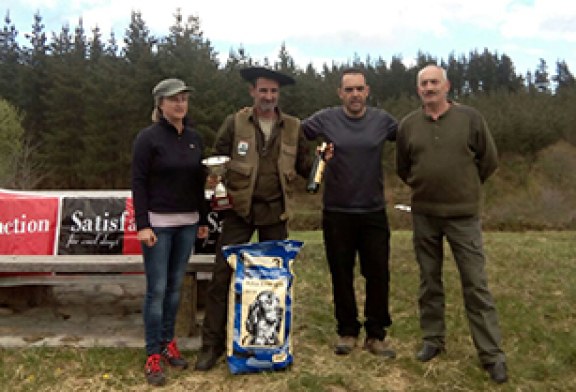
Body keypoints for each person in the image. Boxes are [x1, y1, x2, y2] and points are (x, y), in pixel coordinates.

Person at [194, 67, 313, 371]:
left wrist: (322, 165)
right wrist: (212, 182)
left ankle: (270, 346)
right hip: (239, 212)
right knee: (222, 277)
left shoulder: (293, 126)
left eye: (273, 92)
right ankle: (211, 346)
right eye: (263, 90)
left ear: (278, 95)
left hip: (275, 213)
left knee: (274, 282)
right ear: (252, 91)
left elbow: (304, 165)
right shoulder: (234, 123)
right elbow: (216, 159)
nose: (268, 96)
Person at [396, 65, 508, 384]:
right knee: (429, 281)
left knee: (475, 284)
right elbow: (404, 168)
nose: (429, 88)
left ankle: (491, 355)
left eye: (434, 82)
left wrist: (465, 188)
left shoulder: (470, 119)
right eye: (424, 84)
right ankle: (433, 340)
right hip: (424, 215)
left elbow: (489, 160)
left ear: (447, 85)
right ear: (418, 90)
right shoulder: (407, 126)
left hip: (463, 216)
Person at [300, 68, 397, 358]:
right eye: (349, 90)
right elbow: (292, 132)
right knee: (341, 273)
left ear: (367, 91)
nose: (355, 95)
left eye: (359, 89)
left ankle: (376, 335)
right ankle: (347, 331)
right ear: (340, 93)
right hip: (337, 211)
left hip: (373, 211)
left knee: (378, 274)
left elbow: (411, 138)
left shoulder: (383, 121)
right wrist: (312, 163)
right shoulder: (324, 119)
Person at [132, 78, 209, 386]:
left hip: (188, 223)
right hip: (158, 226)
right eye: (173, 99)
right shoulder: (147, 139)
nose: (180, 104)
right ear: (160, 104)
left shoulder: (194, 138)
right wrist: (142, 225)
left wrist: (203, 219)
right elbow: (138, 182)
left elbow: (199, 183)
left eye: (184, 99)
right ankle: (153, 353)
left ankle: (168, 342)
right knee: (157, 290)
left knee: (176, 289)